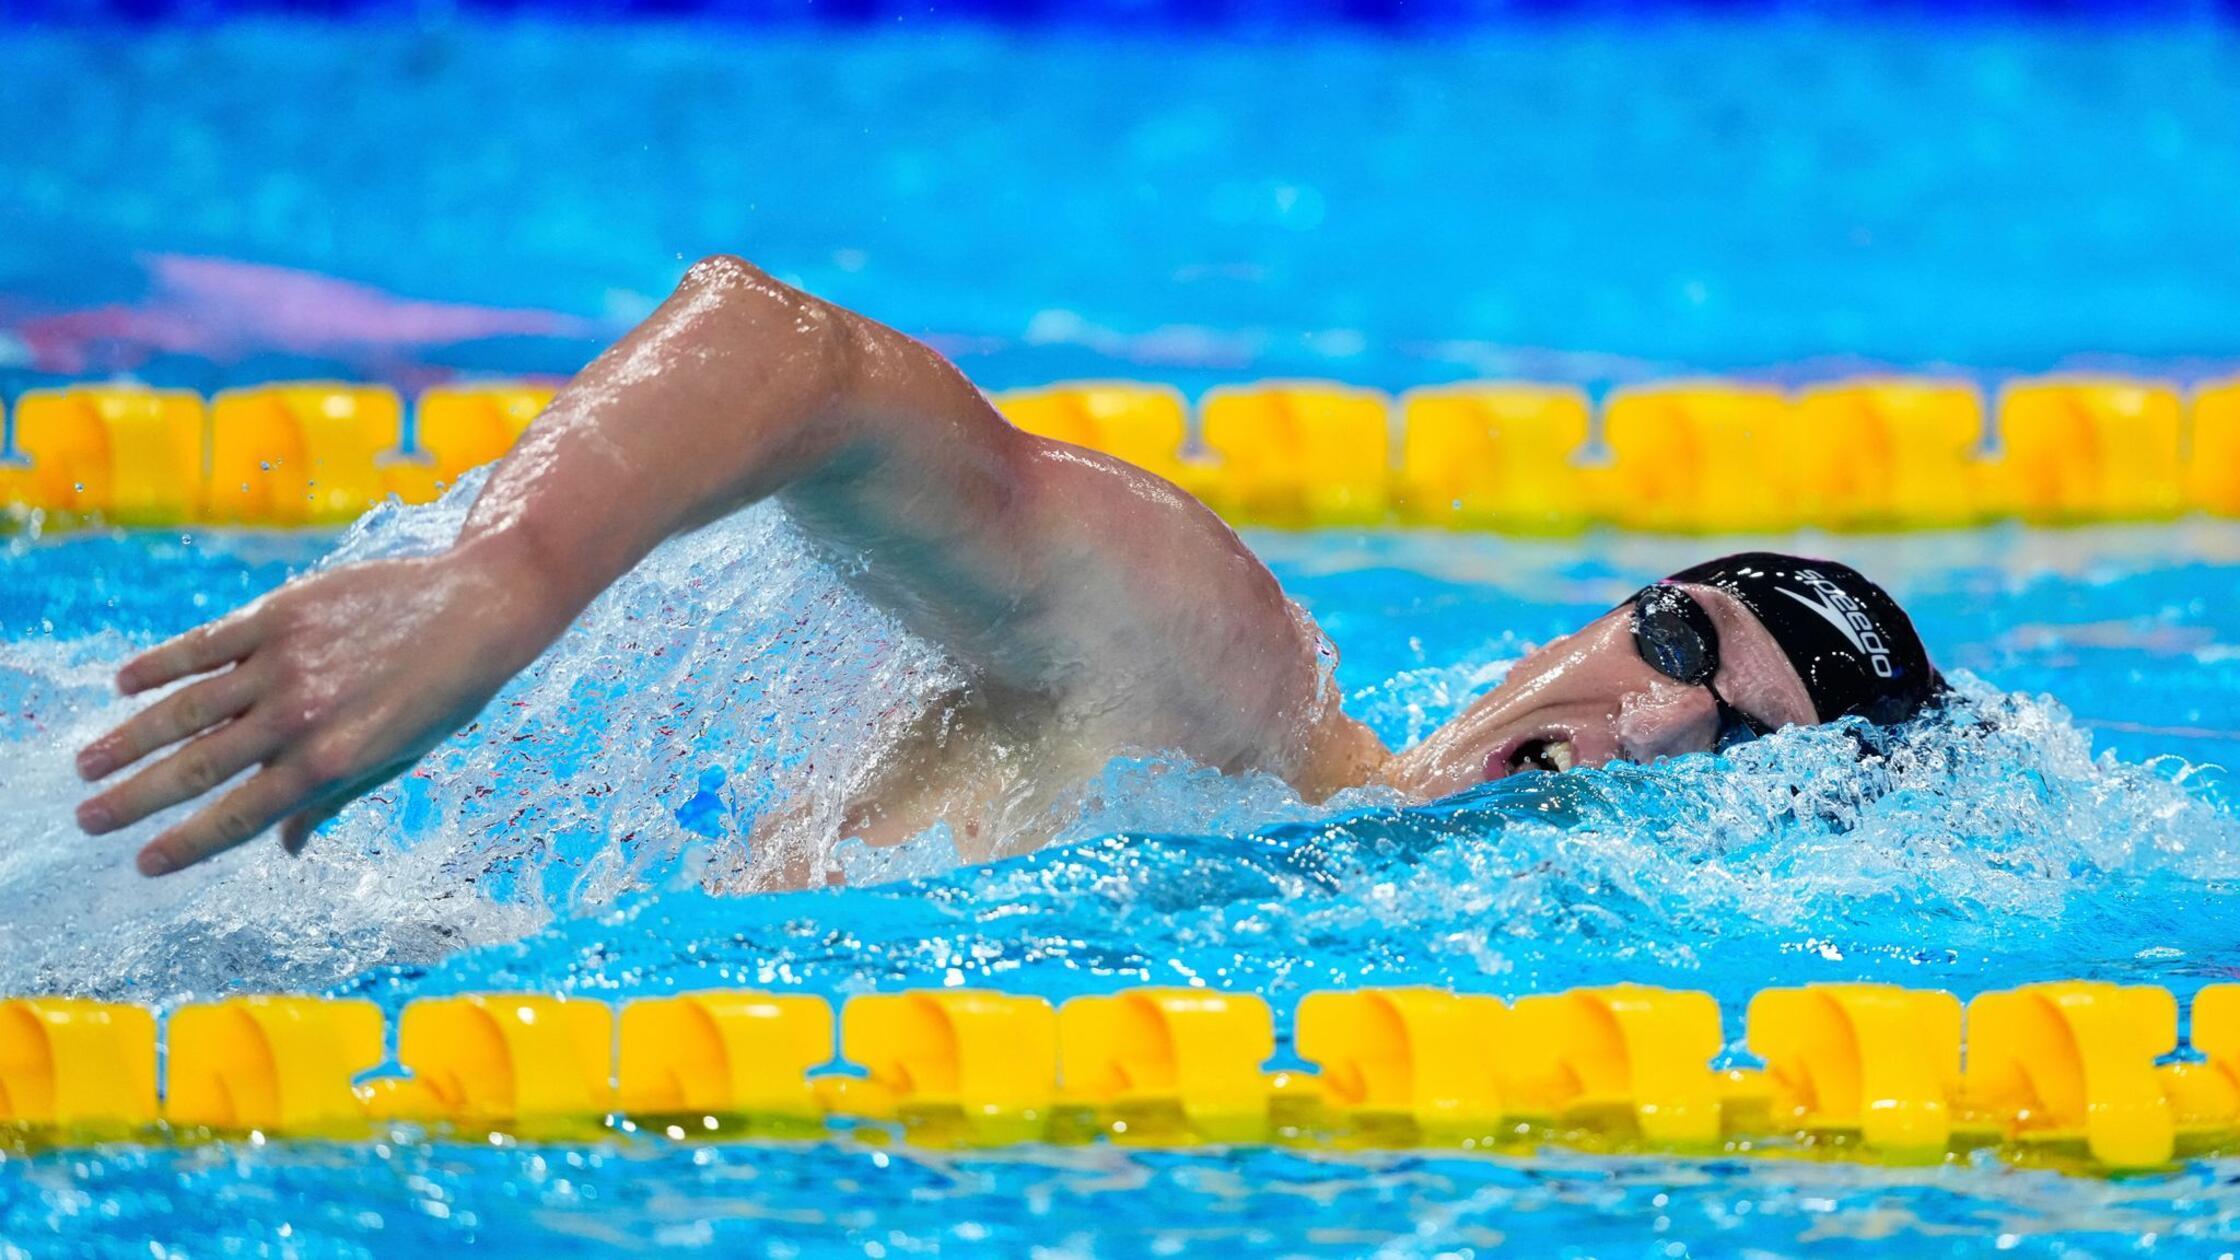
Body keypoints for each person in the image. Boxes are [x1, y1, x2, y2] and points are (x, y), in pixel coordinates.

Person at [71, 256, 1942, 880]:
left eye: (1744, 747)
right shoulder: (1222, 680)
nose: (1650, 725)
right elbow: (787, 355)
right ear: (1595, 613)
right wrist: (505, 576)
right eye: (1682, 635)